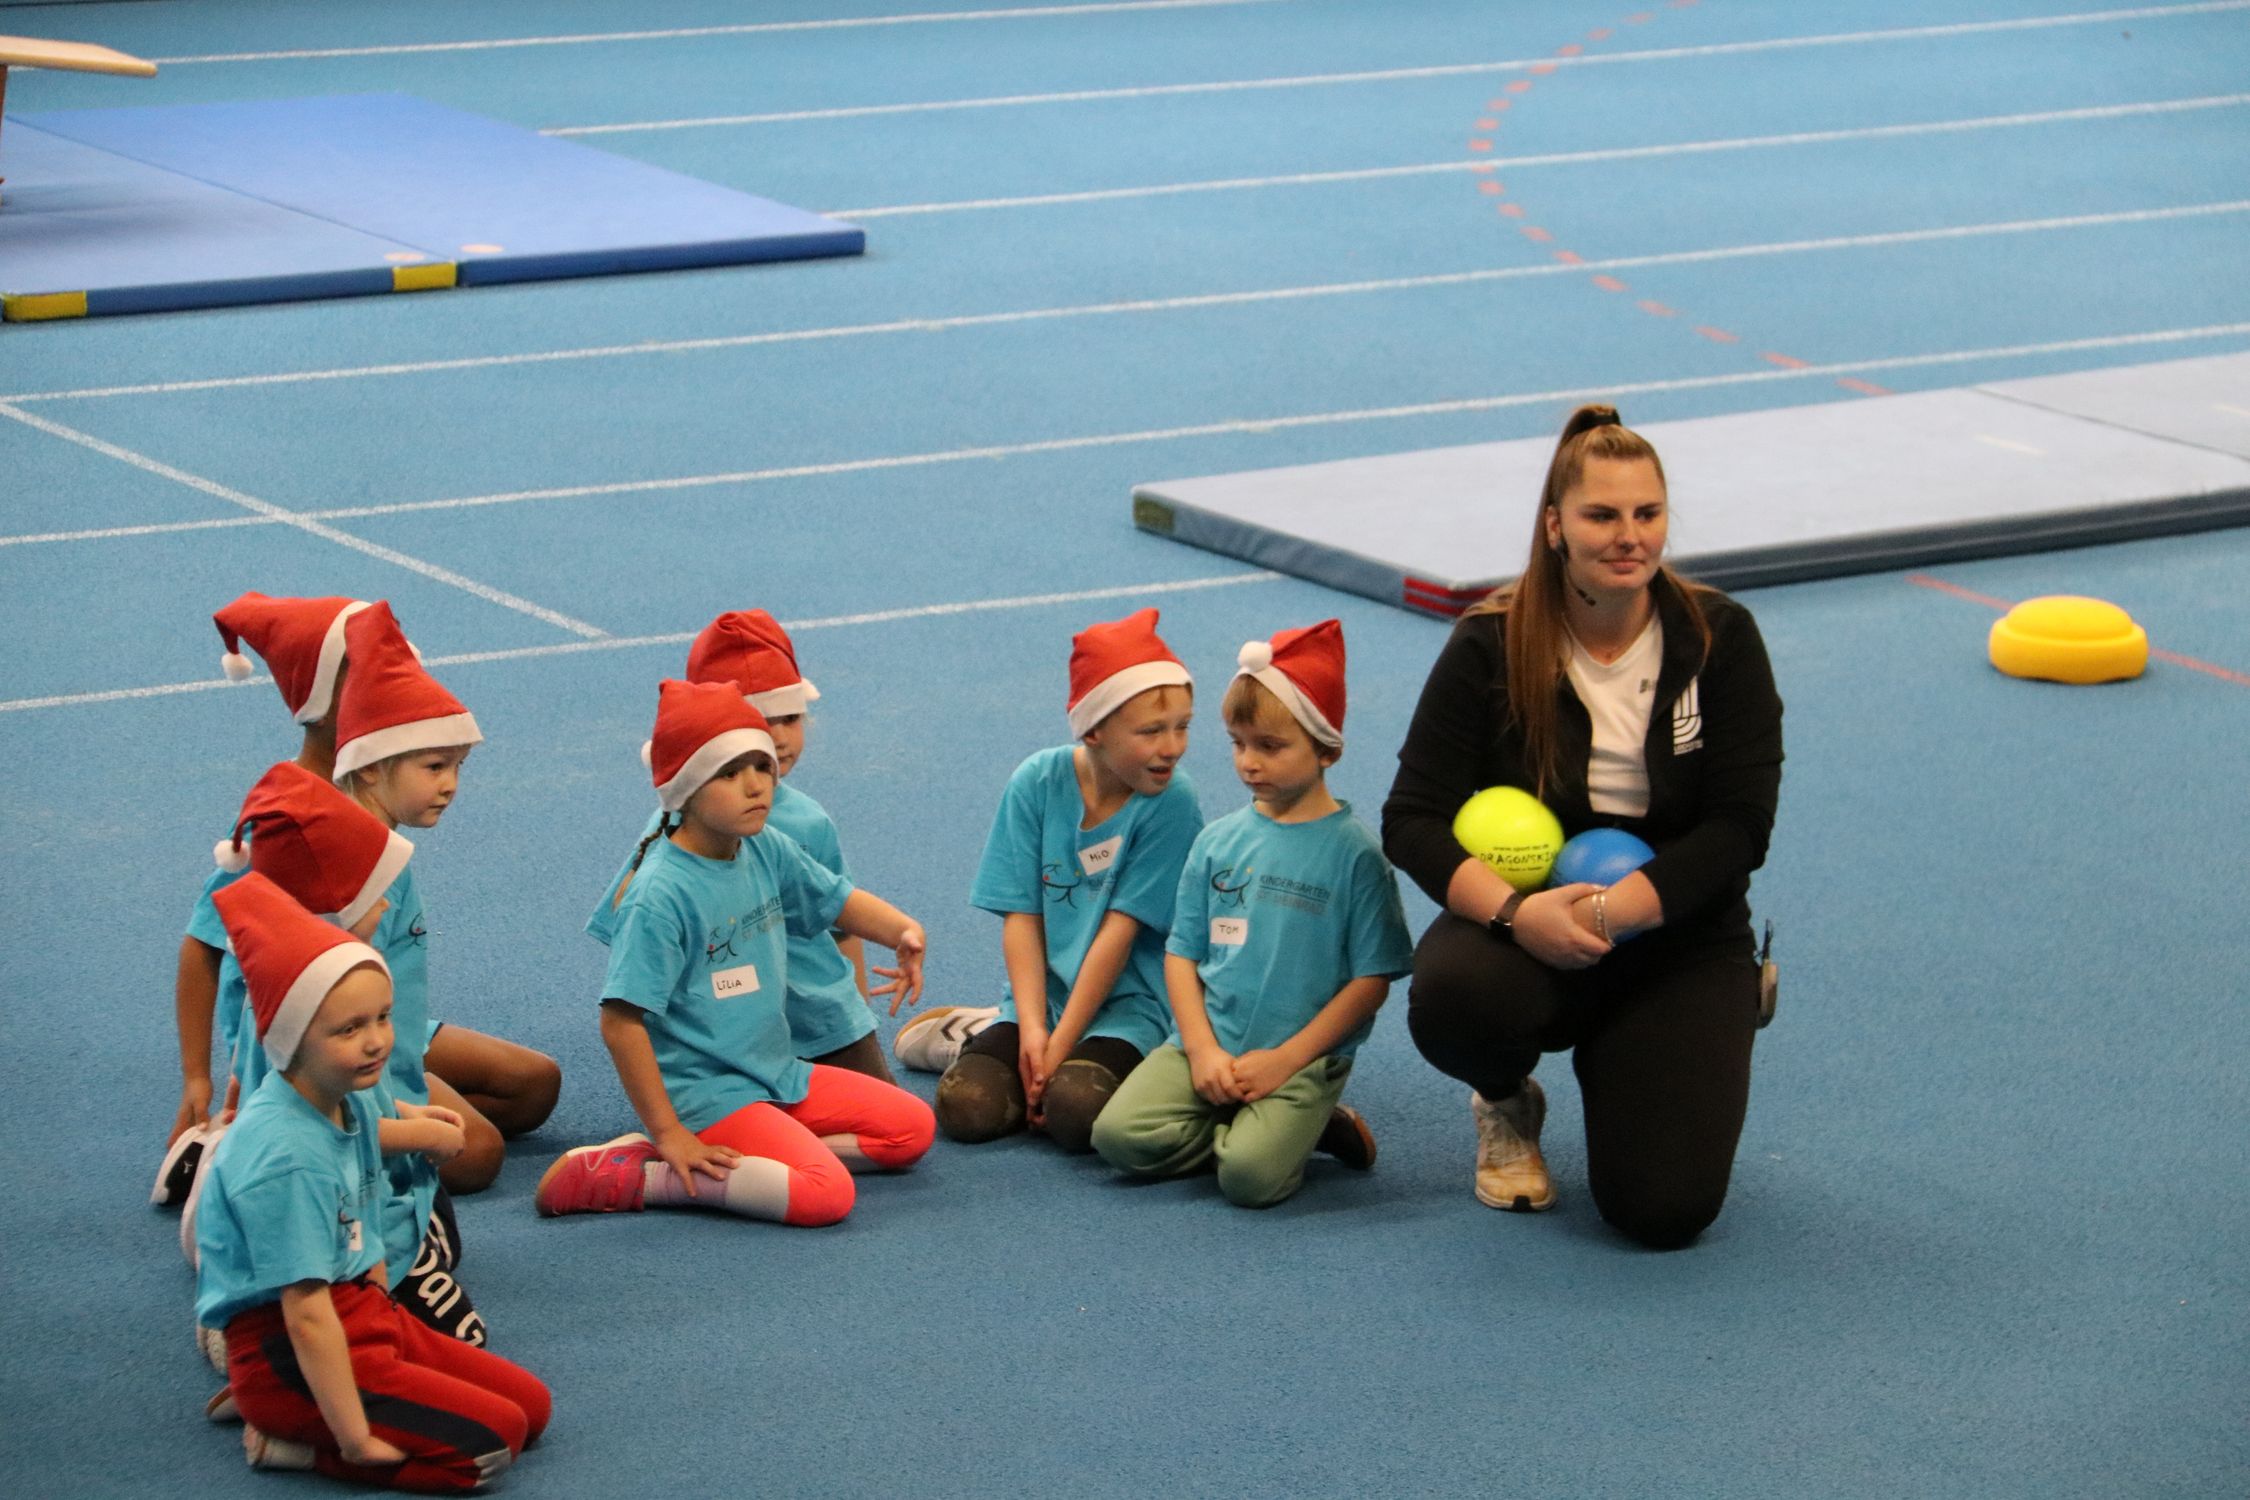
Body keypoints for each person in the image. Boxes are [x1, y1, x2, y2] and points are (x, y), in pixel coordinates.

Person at [1382, 404, 1783, 1250]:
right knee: (1454, 997)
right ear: (1555, 525)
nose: (1629, 536)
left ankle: (1676, 1031)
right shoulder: (1492, 644)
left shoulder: (1720, 639)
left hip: (1674, 930)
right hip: (1531, 924)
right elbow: (1412, 818)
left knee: (1661, 1213)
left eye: (1648, 513)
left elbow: (1740, 827)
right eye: (1602, 515)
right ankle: (1506, 1098)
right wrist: (1515, 914)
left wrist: (1615, 913)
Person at [196, 872, 550, 1490]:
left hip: (365, 1314)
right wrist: (353, 1438)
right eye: (349, 1029)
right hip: (294, 1347)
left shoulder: (341, 1094)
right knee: (490, 1448)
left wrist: (418, 1123)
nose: (377, 1043)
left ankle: (299, 1412)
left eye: (382, 1018)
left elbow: (366, 1196)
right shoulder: (287, 1159)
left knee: (534, 1409)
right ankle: (293, 1440)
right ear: (291, 1039)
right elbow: (306, 1315)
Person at [534, 680, 934, 1226]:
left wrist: (902, 931)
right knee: (826, 1195)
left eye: (761, 767)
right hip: (707, 1093)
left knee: (912, 1130)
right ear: (685, 791)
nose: (755, 786)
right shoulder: (659, 895)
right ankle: (646, 1174)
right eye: (728, 773)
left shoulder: (763, 845)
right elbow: (620, 1023)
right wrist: (669, 1132)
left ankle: (767, 1158)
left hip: (774, 1070)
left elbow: (834, 898)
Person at [1091, 621, 1413, 1206]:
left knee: (1249, 1180)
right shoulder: (1217, 842)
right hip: (1209, 1043)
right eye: (1238, 744)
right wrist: (1201, 1049)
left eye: (1270, 746)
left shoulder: (1357, 856)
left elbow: (1371, 982)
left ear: (1327, 749)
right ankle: (1273, 1130)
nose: (1249, 763)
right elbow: (1182, 954)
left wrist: (1286, 1061)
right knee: (1117, 1137)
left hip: (1298, 1060)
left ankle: (1294, 1125)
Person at [207, 762, 485, 1346]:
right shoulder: (295, 1021)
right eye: (372, 896)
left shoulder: (345, 987)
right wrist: (418, 1136)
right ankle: (248, 1332)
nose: (386, 908)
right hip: (327, 1203)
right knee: (457, 1342)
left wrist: (409, 1116)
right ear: (332, 908)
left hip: (364, 1187)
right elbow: (311, 1135)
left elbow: (357, 1104)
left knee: (442, 1232)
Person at [917, 607, 1202, 1154]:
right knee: (965, 1108)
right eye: (1151, 731)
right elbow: (1021, 917)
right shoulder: (1036, 782)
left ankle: (1046, 1050)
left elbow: (1118, 937)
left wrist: (1058, 1046)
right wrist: (1031, 1030)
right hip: (1043, 999)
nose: (1172, 747)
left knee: (1076, 1112)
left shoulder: (1172, 802)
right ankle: (972, 1029)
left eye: (1182, 726)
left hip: (1131, 1005)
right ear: (1093, 730)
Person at [586, 609, 896, 1083]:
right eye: (762, 722)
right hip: (727, 1033)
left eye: (790, 718)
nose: (779, 738)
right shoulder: (672, 832)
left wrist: (857, 1017)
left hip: (820, 1022)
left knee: (886, 1114)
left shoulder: (810, 823)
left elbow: (842, 925)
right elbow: (633, 932)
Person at [330, 603, 561, 1195]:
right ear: (372, 768)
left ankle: (402, 1107)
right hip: (353, 1051)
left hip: (404, 1032)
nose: (451, 785)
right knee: (477, 1154)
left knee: (536, 1086)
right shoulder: (339, 864)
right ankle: (301, 1141)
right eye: (434, 766)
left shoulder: (388, 847)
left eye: (459, 767)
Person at [159, 592, 375, 1204]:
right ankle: (234, 1146)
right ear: (324, 700)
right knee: (474, 1150)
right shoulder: (290, 813)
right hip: (299, 1038)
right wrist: (197, 1080)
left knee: (531, 1087)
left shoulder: (376, 788)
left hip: (366, 1016)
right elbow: (202, 945)